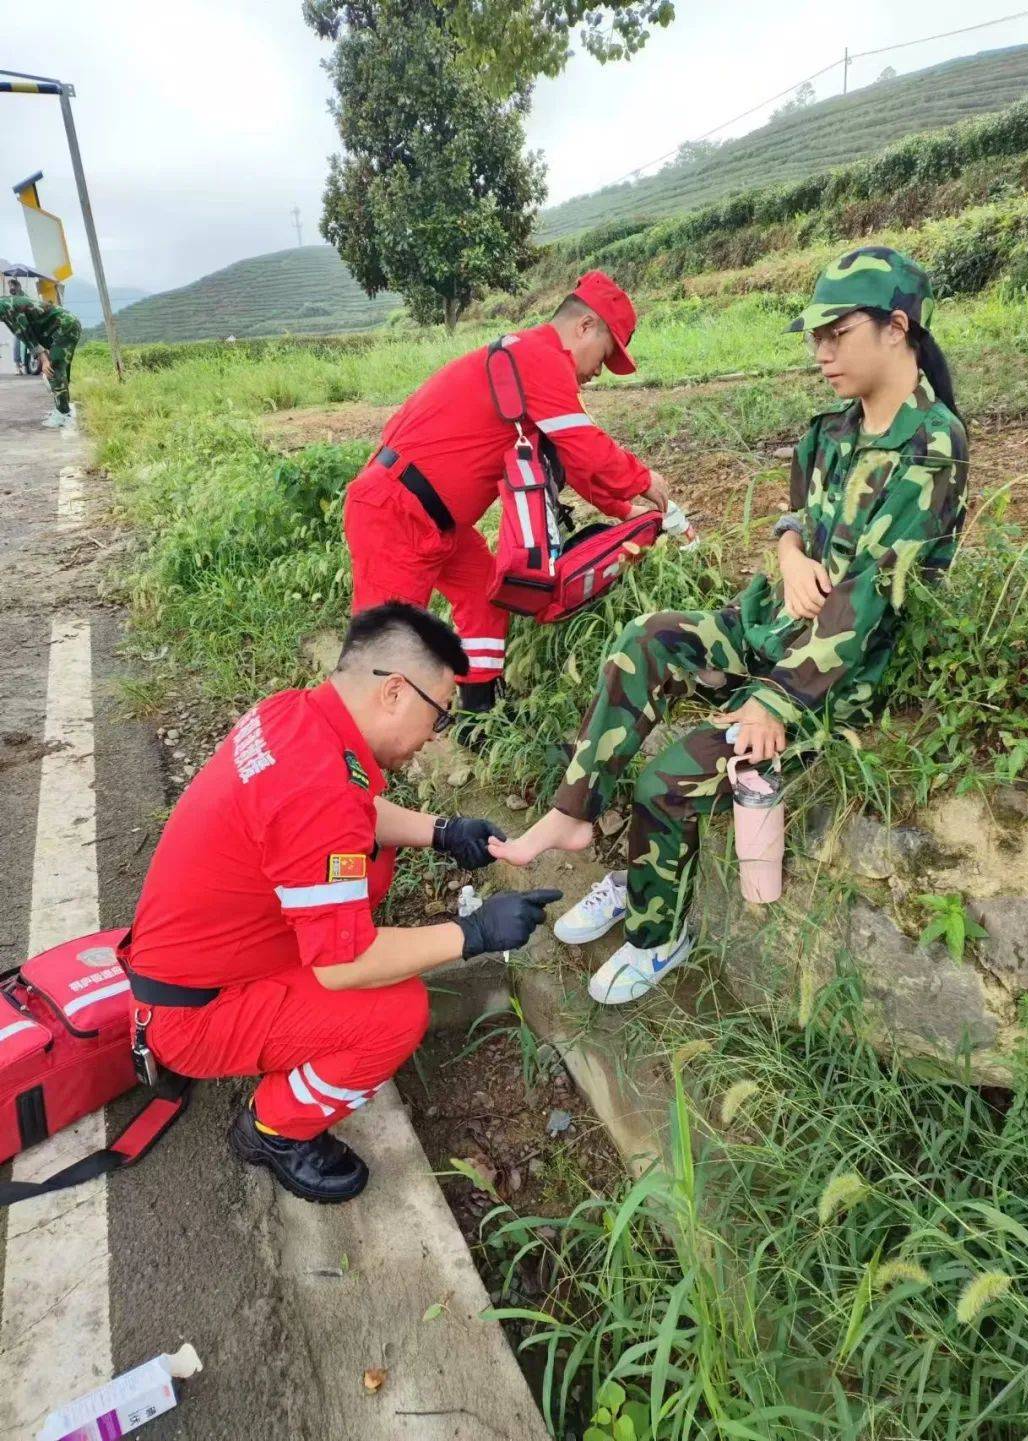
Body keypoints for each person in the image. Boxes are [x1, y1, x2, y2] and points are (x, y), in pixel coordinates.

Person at [491, 247, 968, 1005]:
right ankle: (573, 818)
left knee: (667, 780)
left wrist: (778, 699)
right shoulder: (831, 433)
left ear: (897, 328)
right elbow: (797, 515)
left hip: (837, 674)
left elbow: (870, 595)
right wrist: (784, 552)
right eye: (814, 336)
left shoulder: (930, 448)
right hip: (767, 625)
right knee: (642, 640)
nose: (820, 353)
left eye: (836, 333)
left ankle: (657, 933)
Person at [124, 603, 561, 1203]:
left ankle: (274, 1054)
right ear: (394, 693)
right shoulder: (317, 795)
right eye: (438, 714)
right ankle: (273, 1128)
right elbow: (343, 963)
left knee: (370, 866)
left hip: (194, 960)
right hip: (193, 1015)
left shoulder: (295, 716)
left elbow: (349, 810)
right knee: (397, 1011)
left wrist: (441, 829)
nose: (436, 734)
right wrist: (472, 933)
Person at [344, 270, 674, 712]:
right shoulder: (538, 358)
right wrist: (644, 481)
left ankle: (480, 715)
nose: (598, 372)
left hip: (441, 522)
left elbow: (569, 459)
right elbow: (585, 445)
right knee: (386, 647)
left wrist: (622, 508)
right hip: (397, 512)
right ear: (584, 327)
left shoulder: (534, 368)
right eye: (605, 355)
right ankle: (361, 753)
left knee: (485, 596)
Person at [0, 291, 82, 427]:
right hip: (59, 328)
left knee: (53, 369)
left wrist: (43, 359)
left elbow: (25, 333)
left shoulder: (6, 307)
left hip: (65, 326)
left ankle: (63, 414)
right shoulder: (5, 305)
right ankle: (62, 409)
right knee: (58, 371)